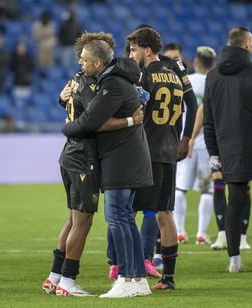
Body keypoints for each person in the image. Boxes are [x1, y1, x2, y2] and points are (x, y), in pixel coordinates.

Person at [43, 32, 142, 297]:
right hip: (83, 157)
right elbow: (92, 120)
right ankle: (68, 281)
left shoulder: (77, 80)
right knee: (82, 222)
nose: (81, 63)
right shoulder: (90, 83)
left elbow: (72, 103)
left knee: (73, 219)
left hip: (71, 156)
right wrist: (130, 121)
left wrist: (62, 100)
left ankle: (54, 276)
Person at [203, 27, 252, 272]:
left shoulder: (213, 76)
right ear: (248, 44)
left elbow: (209, 120)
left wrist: (214, 152)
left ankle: (234, 261)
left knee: (235, 204)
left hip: (230, 150)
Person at [128, 27, 184, 291]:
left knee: (127, 212)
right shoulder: (174, 76)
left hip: (146, 154)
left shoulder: (143, 76)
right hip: (168, 153)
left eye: (134, 49)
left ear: (146, 50)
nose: (131, 54)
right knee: (165, 214)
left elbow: (136, 112)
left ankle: (132, 274)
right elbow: (181, 114)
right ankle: (169, 278)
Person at [174, 46, 216, 246]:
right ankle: (201, 233)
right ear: (213, 64)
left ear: (196, 62)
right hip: (208, 143)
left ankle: (180, 232)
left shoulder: (186, 81)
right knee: (207, 190)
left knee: (180, 189)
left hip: (185, 140)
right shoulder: (214, 82)